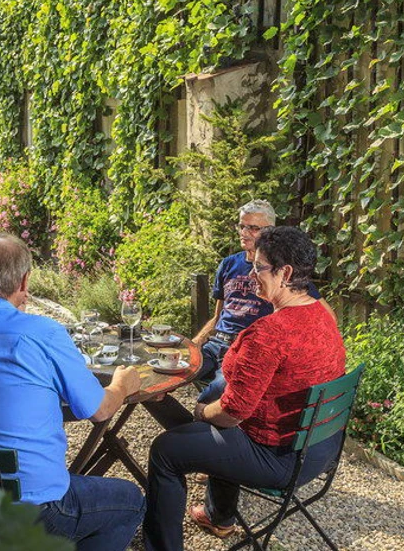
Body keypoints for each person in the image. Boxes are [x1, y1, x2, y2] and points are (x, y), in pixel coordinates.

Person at [0, 234, 145, 551]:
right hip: (31, 511)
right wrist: (122, 384)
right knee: (130, 502)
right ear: (24, 281)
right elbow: (99, 410)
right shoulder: (43, 332)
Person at [143, 226, 346, 551]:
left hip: (279, 459)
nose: (252, 274)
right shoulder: (322, 317)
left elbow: (232, 414)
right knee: (203, 423)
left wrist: (201, 411)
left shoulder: (269, 333)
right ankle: (219, 515)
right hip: (319, 448)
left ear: (286, 273)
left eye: (259, 267)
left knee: (166, 451)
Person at [188, 200, 326, 404]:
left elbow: (323, 315)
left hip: (247, 351)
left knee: (210, 399)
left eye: (253, 228)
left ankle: (192, 430)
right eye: (242, 226)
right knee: (169, 373)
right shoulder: (228, 264)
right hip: (216, 345)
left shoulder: (278, 271)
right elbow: (218, 317)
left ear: (269, 232)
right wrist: (193, 345)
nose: (244, 232)